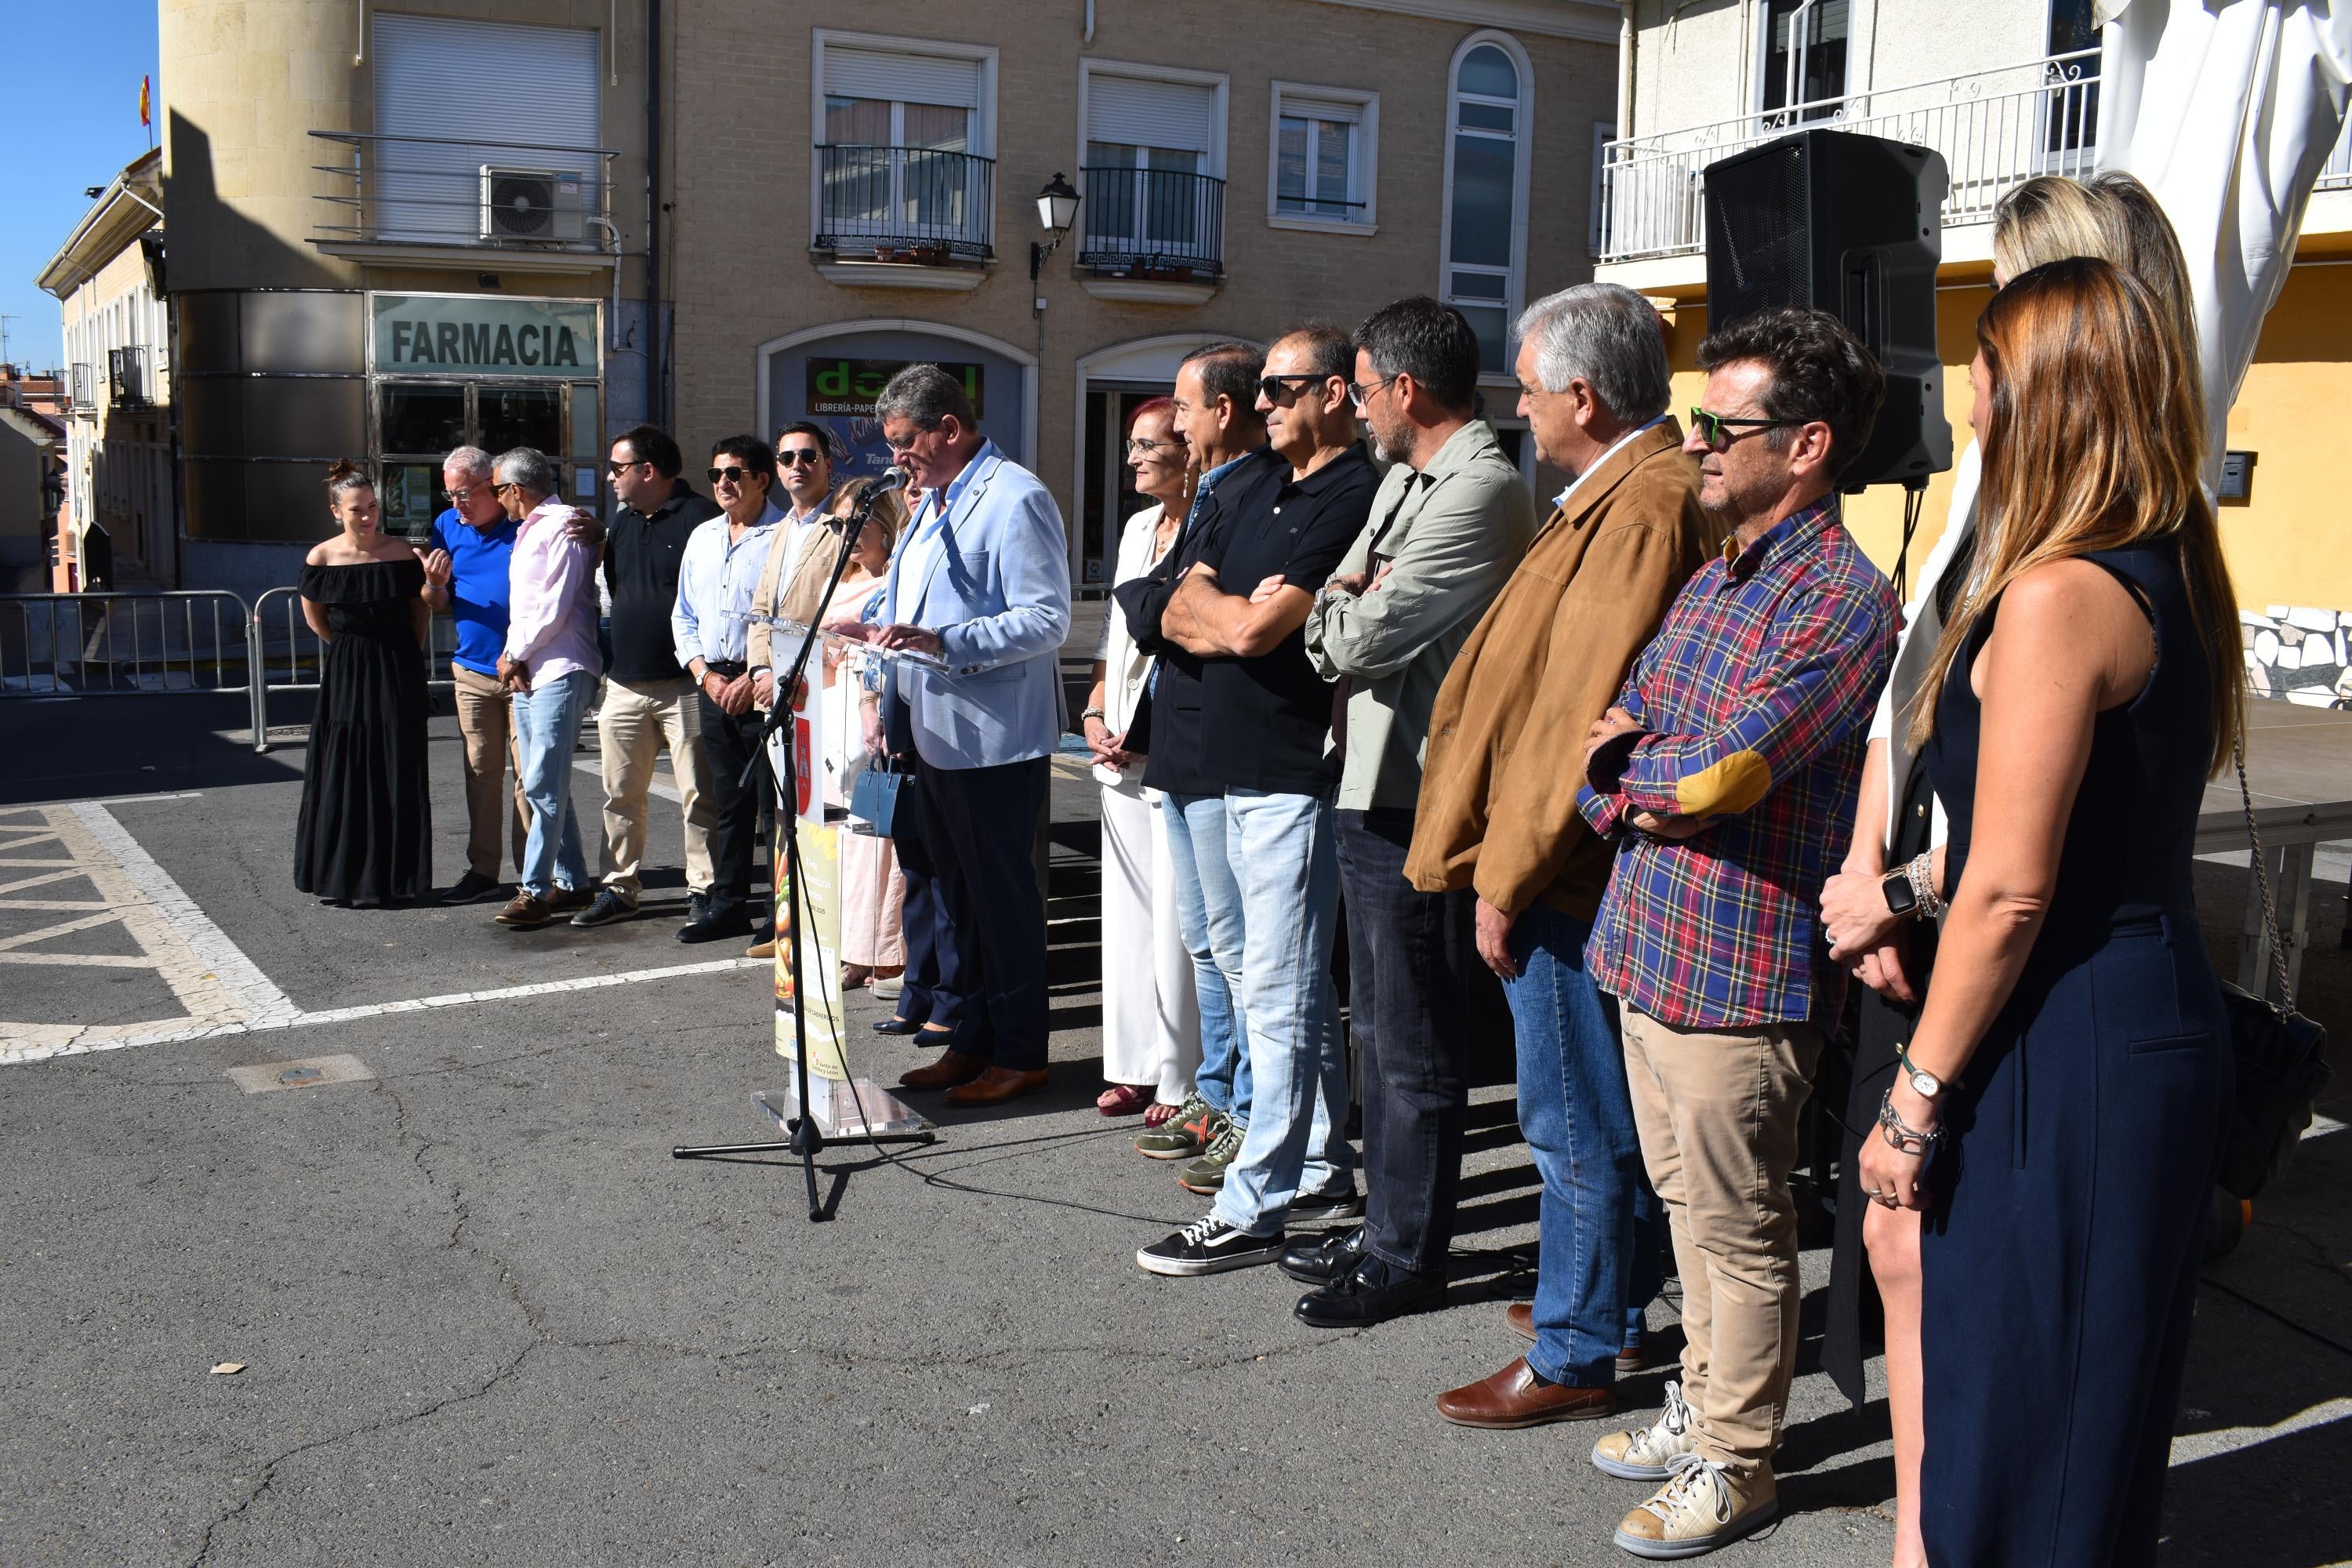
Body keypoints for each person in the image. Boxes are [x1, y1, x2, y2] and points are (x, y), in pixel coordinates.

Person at [1813, 171, 2201, 1568]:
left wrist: (1912, 1107)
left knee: (2031, 1416)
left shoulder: (2055, 594)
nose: (1968, 405)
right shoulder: (2158, 561)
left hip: (2068, 1030)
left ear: (2039, 396)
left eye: (1984, 373)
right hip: (2113, 1013)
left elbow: (2010, 885)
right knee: (2064, 1421)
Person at [1574, 307, 1895, 1559]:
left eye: (1726, 423)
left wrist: (1631, 770)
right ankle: (1705, 1403)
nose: (1699, 441)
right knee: (1684, 1204)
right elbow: (1618, 732)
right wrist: (1622, 778)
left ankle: (1738, 1462)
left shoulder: (1843, 601)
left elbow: (1721, 774)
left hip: (1737, 968)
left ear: (1807, 445)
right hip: (1648, 937)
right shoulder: (1719, 571)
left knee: (1739, 1224)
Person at [1408, 283, 1716, 1424]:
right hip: (1569, 864)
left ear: (1583, 396)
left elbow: (1566, 721)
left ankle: (1582, 1342)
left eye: (1530, 394)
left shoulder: (1638, 507)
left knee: (1571, 1112)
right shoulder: (1622, 493)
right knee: (1593, 1108)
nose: (1520, 415)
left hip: (1565, 872)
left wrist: (1504, 876)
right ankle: (1607, 1303)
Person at [1287, 297, 1534, 1326]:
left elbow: (1351, 636)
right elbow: (1339, 607)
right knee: (1379, 1026)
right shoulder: (1408, 480)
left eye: (1362, 386)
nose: (1353, 407)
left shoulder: (1478, 491)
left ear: (1406, 389)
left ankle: (1407, 1253)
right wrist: (1345, 605)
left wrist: (1343, 608)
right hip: (1369, 781)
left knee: (1414, 1040)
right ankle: (1388, 1226)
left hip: (1421, 797)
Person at [1134, 326, 1375, 1277]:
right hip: (1228, 770)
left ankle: (1258, 1201)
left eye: (1284, 388)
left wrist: (1225, 611)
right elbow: (1171, 598)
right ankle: (1314, 1163)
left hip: (1286, 775)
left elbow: (1256, 625)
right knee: (1271, 985)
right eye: (1263, 389)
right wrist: (1222, 610)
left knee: (1278, 994)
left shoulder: (1351, 493)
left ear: (1339, 395)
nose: (1265, 403)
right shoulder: (1260, 485)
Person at [834, 364, 1070, 1108]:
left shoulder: (1015, 497)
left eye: (906, 442)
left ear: (949, 428)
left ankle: (1021, 1052)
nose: (895, 457)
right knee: (955, 903)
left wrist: (940, 642)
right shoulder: (934, 501)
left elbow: (1046, 617)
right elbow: (913, 605)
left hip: (991, 740)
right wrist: (873, 629)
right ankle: (969, 1040)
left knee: (1002, 904)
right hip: (931, 735)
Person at [1116, 342, 1272, 1176]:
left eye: (1181, 406)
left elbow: (1189, 609)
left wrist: (1170, 605)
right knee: (1206, 941)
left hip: (1220, 743)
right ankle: (1216, 1094)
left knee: (1239, 948)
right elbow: (1150, 603)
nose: (1171, 423)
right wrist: (1170, 605)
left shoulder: (1254, 491)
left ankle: (1248, 1108)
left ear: (1225, 408)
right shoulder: (1208, 494)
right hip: (1176, 740)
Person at [1083, 397, 1202, 1123]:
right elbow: (1113, 636)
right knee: (1125, 918)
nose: (1131, 458)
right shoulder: (1134, 528)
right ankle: (1132, 1063)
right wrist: (1097, 709)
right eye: (1130, 445)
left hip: (1170, 745)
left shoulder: (1207, 524)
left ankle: (1180, 1075)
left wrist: (1149, 729)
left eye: (1146, 445)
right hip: (1115, 745)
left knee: (1179, 922)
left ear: (1186, 451)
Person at [419, 445, 597, 906]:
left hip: (529, 669)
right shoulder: (449, 527)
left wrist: (602, 536)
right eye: (449, 494)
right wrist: (434, 585)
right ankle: (486, 871)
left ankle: (533, 876)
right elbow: (437, 601)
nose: (457, 503)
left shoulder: (534, 523)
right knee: (482, 773)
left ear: (497, 488)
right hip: (478, 669)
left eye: (467, 493)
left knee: (532, 779)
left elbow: (559, 592)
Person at [749, 476, 912, 980]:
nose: (850, 533)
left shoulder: (896, 580)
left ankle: (877, 950)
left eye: (861, 522)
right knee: (833, 835)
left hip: (869, 714)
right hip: (824, 716)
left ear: (886, 524)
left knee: (874, 836)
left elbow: (882, 653)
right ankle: (832, 938)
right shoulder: (835, 582)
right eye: (841, 524)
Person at [572, 425, 722, 930]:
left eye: (617, 468)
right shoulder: (622, 521)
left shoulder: (703, 520)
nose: (610, 478)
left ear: (647, 471)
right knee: (620, 793)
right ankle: (619, 886)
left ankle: (704, 889)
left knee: (699, 795)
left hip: (686, 685)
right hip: (625, 683)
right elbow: (616, 589)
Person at [293, 461, 432, 906]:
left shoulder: (403, 555)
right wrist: (349, 647)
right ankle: (342, 875)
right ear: (337, 512)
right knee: (346, 766)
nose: (368, 516)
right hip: (348, 669)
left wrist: (400, 655)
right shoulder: (322, 558)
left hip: (397, 665)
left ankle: (397, 877)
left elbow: (419, 616)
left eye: (373, 506)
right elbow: (315, 617)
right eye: (357, 510)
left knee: (397, 763)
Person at [670, 436, 784, 945]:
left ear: (762, 479)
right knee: (727, 803)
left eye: (735, 473)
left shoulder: (784, 536)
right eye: (717, 474)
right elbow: (684, 614)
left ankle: (779, 914)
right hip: (713, 684)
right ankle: (728, 904)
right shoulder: (702, 538)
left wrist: (751, 677)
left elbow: (791, 619)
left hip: (763, 684)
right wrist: (704, 674)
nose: (723, 483)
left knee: (774, 806)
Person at [491, 447, 603, 930]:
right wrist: (515, 656)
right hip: (531, 668)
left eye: (497, 490)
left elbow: (555, 603)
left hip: (560, 666)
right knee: (544, 783)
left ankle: (534, 890)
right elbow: (527, 609)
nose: (496, 499)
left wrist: (514, 654)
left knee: (542, 782)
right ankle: (573, 881)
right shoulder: (530, 529)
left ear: (515, 489)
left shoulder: (563, 525)